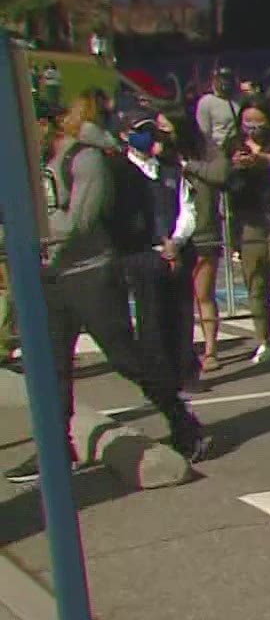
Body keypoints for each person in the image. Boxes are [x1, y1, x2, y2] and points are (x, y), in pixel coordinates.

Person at [5, 97, 206, 484]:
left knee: (125, 357)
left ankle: (181, 419)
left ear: (50, 123)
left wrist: (20, 233)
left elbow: (78, 222)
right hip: (49, 277)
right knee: (50, 368)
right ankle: (54, 447)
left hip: (91, 275)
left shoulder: (85, 160)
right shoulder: (28, 166)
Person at [117, 108, 200, 395]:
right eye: (138, 130)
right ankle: (159, 378)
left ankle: (186, 371)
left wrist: (176, 241)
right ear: (124, 135)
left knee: (181, 312)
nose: (146, 136)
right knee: (151, 317)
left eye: (149, 129)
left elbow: (187, 209)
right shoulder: (118, 173)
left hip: (176, 250)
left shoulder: (169, 170)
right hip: (142, 254)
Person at [226, 94, 270, 364]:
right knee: (255, 281)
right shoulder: (233, 145)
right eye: (248, 122)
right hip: (248, 218)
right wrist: (236, 166)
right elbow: (224, 178)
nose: (253, 128)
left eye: (258, 122)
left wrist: (263, 160)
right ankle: (263, 340)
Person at [168, 108, 231, 382]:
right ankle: (180, 352)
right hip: (172, 235)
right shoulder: (161, 157)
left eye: (168, 128)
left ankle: (210, 349)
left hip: (204, 233)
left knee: (202, 293)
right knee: (177, 299)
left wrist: (189, 166)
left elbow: (221, 174)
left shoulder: (207, 152)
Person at [195, 67, 240, 154]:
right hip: (218, 150)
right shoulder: (207, 101)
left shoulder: (238, 101)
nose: (225, 82)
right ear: (214, 80)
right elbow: (204, 131)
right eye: (221, 79)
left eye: (227, 79)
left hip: (237, 149)